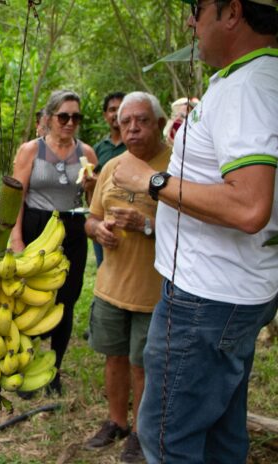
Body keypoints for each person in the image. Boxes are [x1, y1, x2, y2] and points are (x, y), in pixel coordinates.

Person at [112, 1, 278, 462]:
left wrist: (152, 180)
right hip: (230, 291)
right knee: (220, 430)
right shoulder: (248, 80)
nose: (190, 20)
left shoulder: (249, 88)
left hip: (206, 299)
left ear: (232, 13)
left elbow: (250, 206)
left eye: (197, 8)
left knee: (169, 437)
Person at [84, 92, 171, 464]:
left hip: (154, 292)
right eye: (125, 122)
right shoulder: (112, 166)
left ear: (160, 124)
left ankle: (140, 431)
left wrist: (149, 225)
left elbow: (195, 227)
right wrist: (97, 230)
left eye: (142, 120)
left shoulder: (177, 166)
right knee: (114, 358)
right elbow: (91, 217)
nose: (133, 128)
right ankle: (116, 422)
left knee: (143, 365)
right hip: (110, 286)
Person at [10, 89, 97, 395]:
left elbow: (94, 203)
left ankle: (54, 369)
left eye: (76, 116)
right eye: (63, 116)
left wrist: (92, 185)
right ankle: (26, 366)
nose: (69, 122)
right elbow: (16, 195)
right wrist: (16, 237)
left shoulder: (86, 153)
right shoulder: (31, 150)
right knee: (31, 299)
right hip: (37, 225)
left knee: (66, 300)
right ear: (48, 118)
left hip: (72, 228)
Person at [91, 92, 127, 266]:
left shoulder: (136, 146)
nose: (116, 113)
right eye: (112, 109)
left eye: (120, 109)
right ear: (105, 115)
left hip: (130, 220)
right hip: (103, 220)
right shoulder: (98, 149)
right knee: (103, 267)